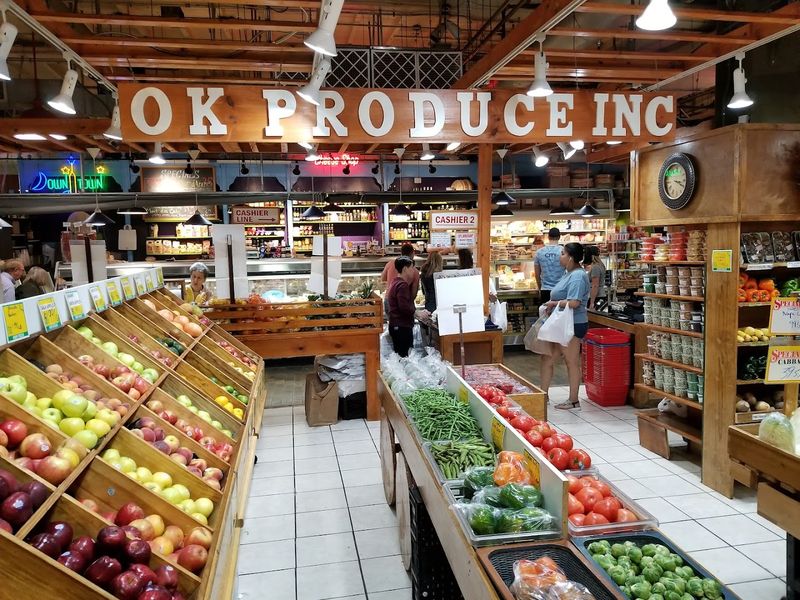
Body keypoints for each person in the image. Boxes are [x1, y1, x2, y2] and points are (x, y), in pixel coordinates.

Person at [540, 242, 590, 410]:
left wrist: (554, 303)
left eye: (562, 253)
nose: (559, 256)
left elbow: (575, 302)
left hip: (573, 324)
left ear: (571, 258)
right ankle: (543, 395)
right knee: (547, 358)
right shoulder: (568, 273)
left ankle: (574, 399)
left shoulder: (577, 276)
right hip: (561, 322)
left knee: (571, 361)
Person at [386, 256, 417, 357]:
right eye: (411, 268)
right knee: (404, 357)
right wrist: (417, 313)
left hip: (395, 325)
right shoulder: (402, 285)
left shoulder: (395, 282)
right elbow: (404, 307)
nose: (413, 271)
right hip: (402, 327)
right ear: (405, 269)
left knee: (399, 356)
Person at [534, 228, 566, 303]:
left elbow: (537, 274)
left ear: (548, 237)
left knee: (546, 313)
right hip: (561, 288)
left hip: (545, 289)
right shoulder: (564, 251)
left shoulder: (539, 252)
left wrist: (540, 288)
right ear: (559, 237)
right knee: (560, 313)